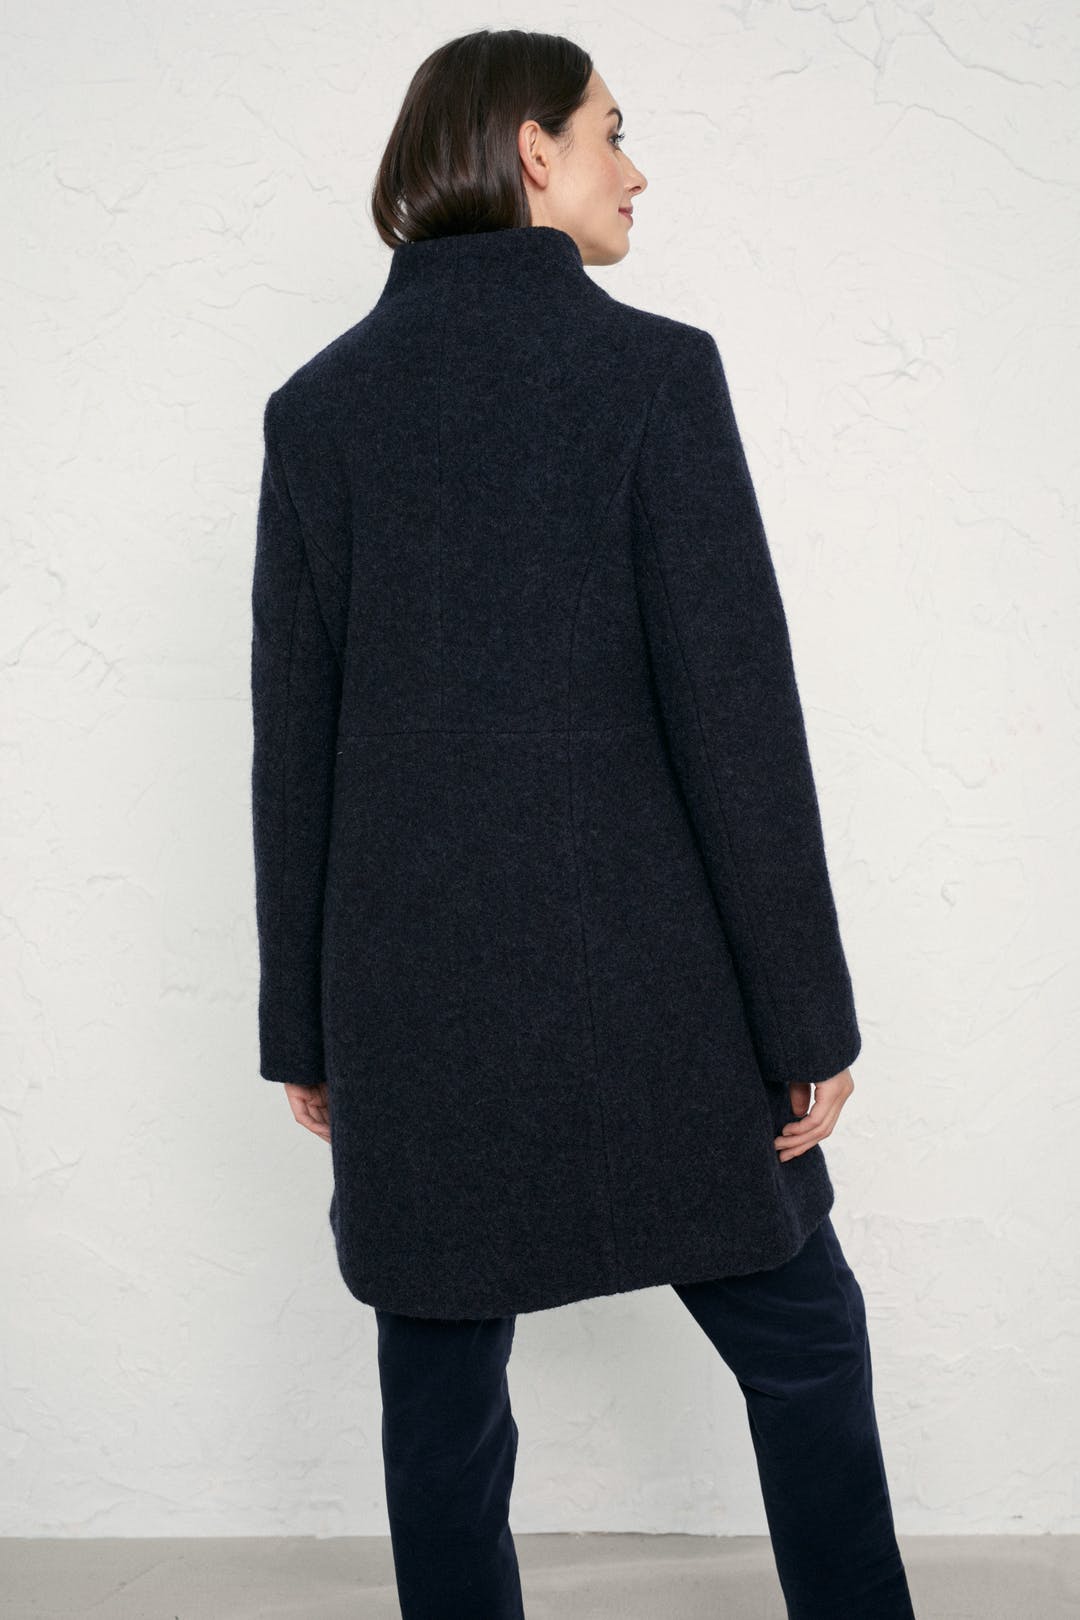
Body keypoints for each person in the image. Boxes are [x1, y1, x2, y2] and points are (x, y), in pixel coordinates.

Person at [249, 27, 917, 1620]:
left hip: (414, 1002)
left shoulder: (318, 410)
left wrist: (305, 1031)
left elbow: (294, 749)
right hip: (654, 998)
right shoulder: (655, 378)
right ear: (532, 151)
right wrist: (807, 1018)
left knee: (440, 1395)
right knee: (804, 1339)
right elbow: (737, 725)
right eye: (613, 131)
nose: (637, 168)